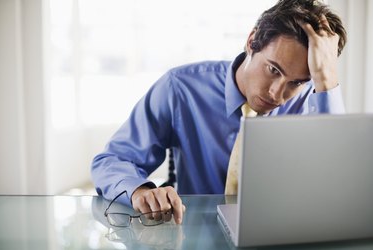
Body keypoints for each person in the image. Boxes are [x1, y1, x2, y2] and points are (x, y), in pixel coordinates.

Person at [91, 0, 347, 225]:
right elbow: (111, 161)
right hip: (194, 234)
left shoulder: (312, 100)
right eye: (273, 70)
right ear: (251, 41)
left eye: (297, 82)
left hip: (281, 234)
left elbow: (337, 187)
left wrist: (326, 79)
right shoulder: (180, 88)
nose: (277, 94)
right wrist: (140, 191)